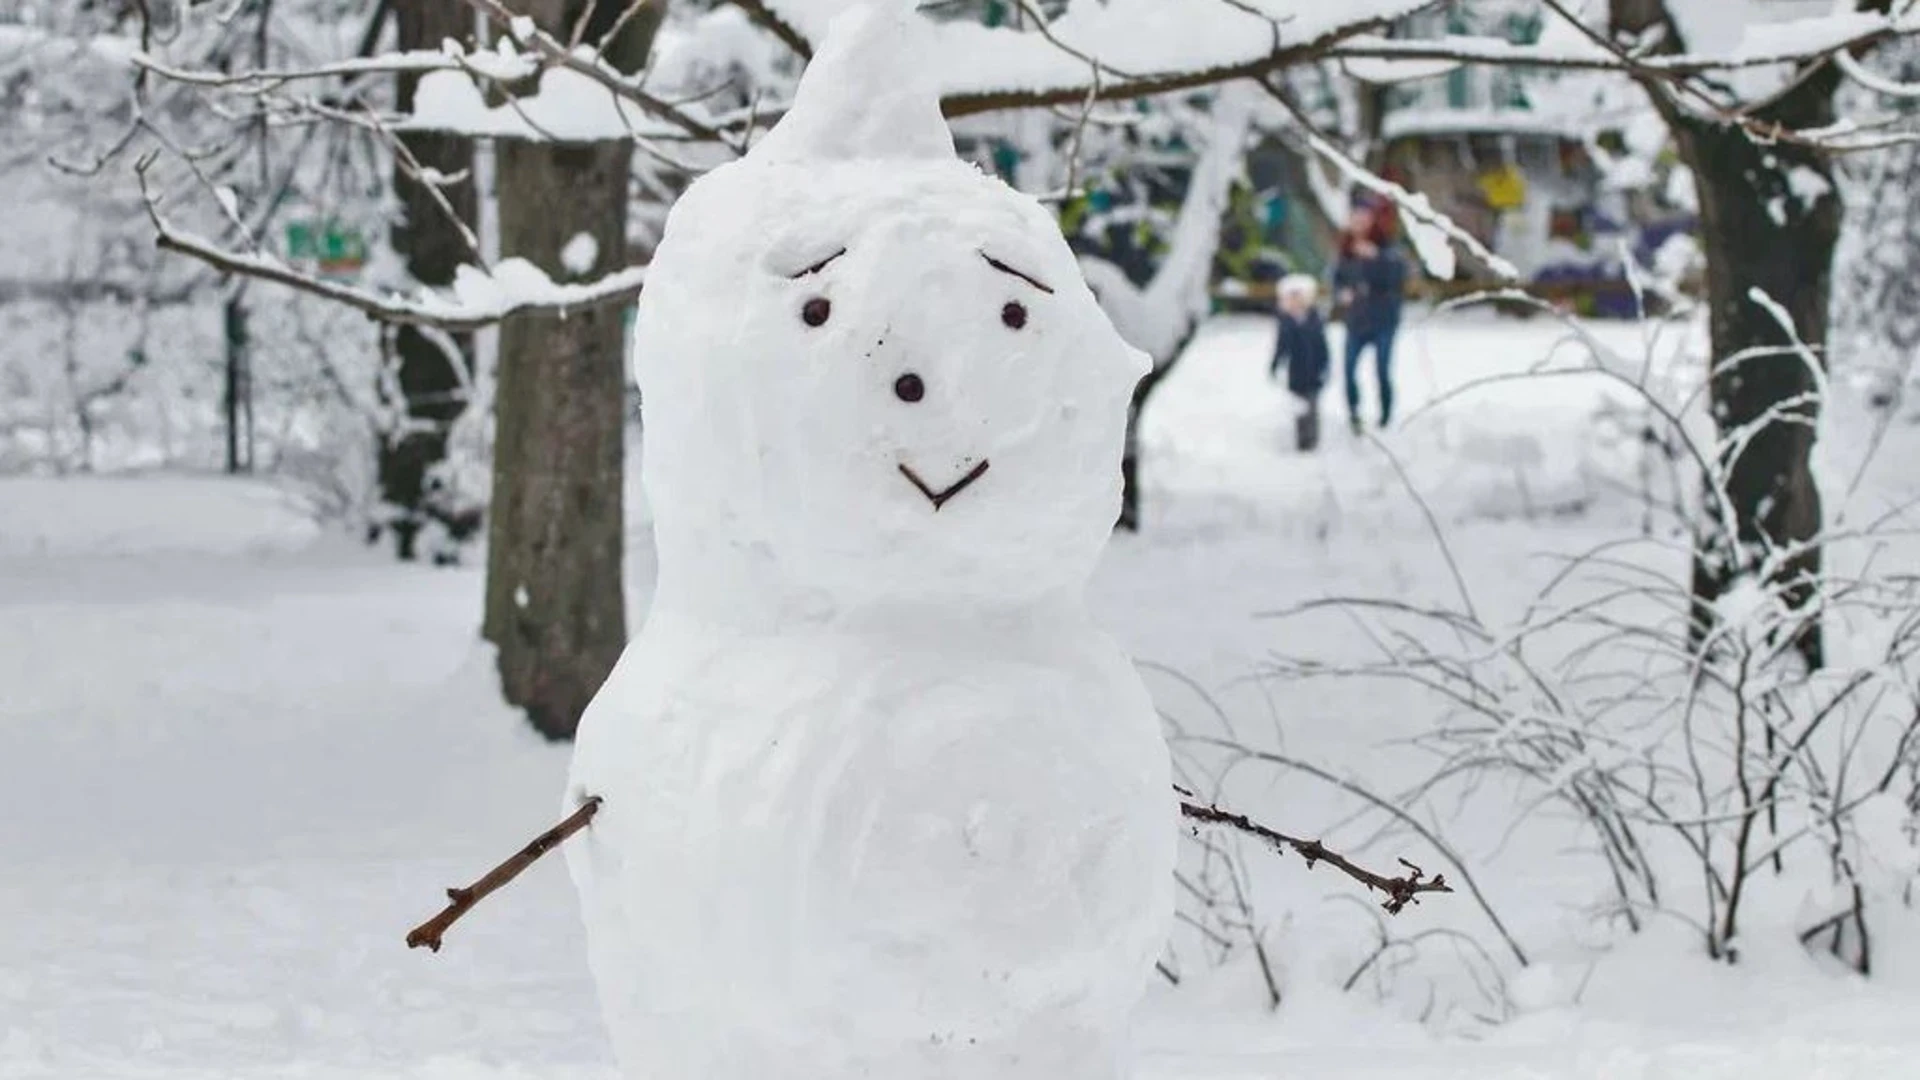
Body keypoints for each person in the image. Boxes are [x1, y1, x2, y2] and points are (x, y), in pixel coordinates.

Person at [1331, 200, 1408, 433]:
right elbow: (1337, 278)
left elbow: (1398, 277)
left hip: (1384, 320)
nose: (1359, 223)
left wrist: (1377, 258)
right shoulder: (1346, 248)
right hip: (1357, 321)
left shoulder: (1386, 245)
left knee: (1382, 370)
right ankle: (1354, 414)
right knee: (1348, 369)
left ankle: (1385, 416)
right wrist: (1341, 293)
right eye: (1355, 218)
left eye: (1363, 217)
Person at [1270, 273, 1331, 452]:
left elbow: (1322, 346)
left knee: (1312, 405)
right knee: (1299, 407)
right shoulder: (1286, 323)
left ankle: (1312, 439)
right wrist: (1275, 364)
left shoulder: (1314, 321)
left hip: (1313, 370)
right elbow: (1281, 347)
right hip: (1295, 372)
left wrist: (1325, 366)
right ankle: (1302, 439)